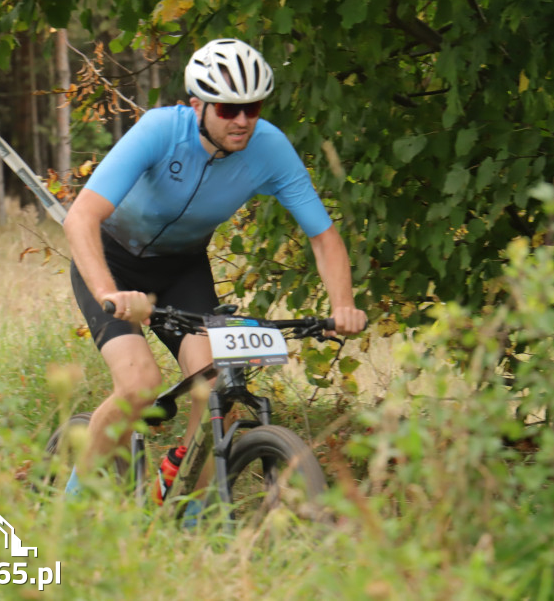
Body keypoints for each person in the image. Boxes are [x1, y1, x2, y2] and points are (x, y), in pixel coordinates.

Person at [62, 38, 367, 490]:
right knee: (140, 384)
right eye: (227, 110)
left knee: (215, 390)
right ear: (197, 105)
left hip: (181, 270)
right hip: (114, 264)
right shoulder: (160, 131)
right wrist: (109, 293)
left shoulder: (270, 149)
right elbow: (81, 217)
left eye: (253, 107)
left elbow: (323, 236)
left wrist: (343, 304)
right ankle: (71, 507)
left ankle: (190, 507)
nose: (243, 120)